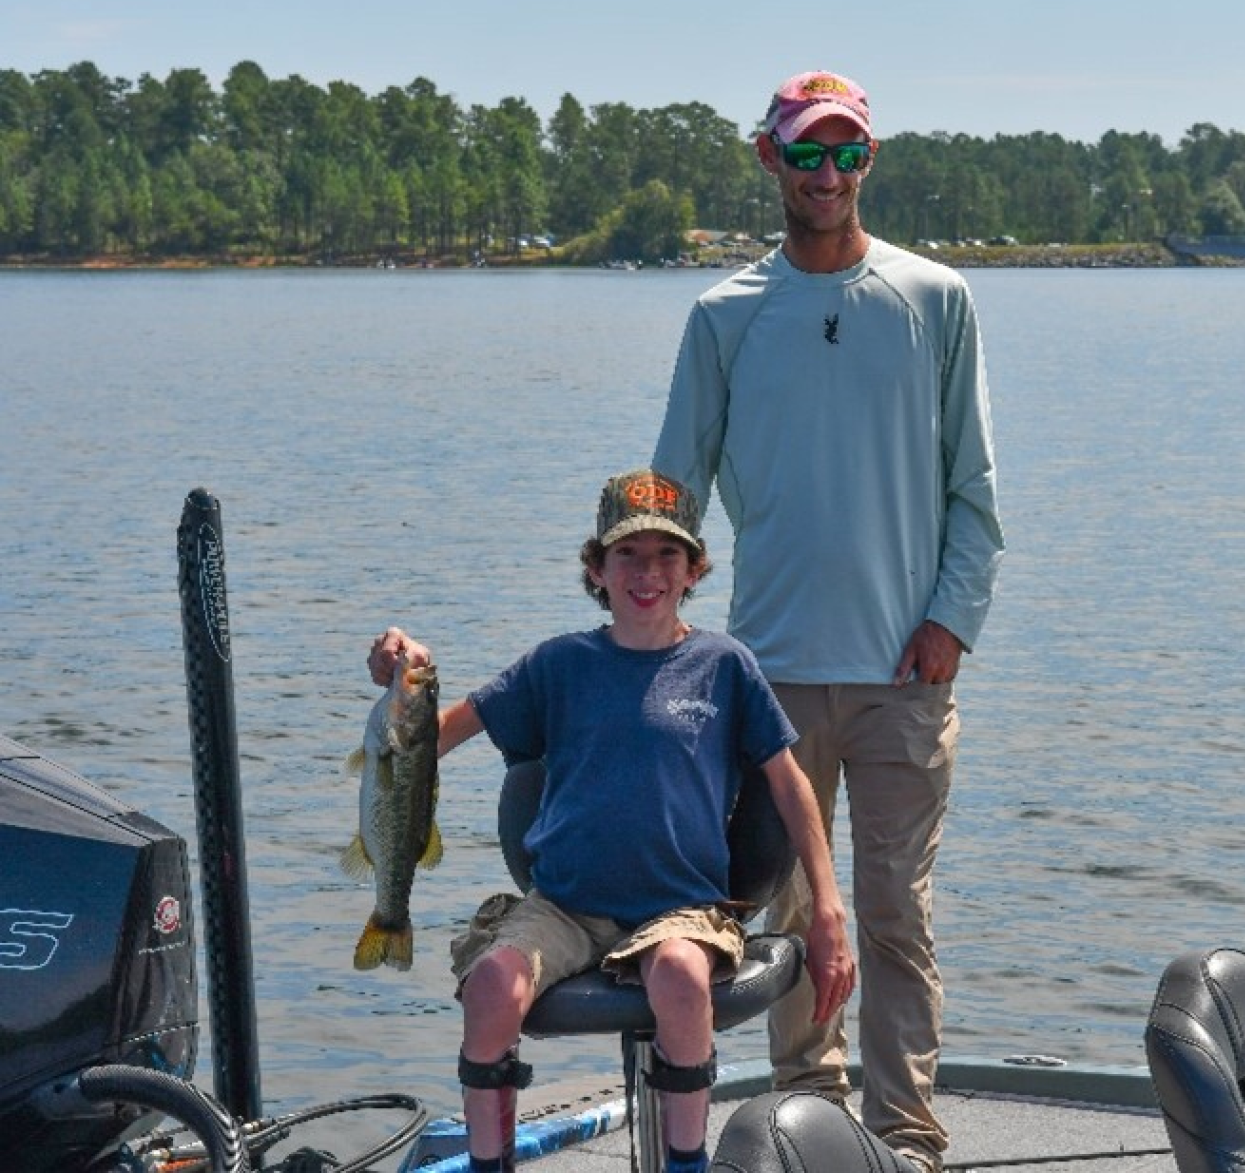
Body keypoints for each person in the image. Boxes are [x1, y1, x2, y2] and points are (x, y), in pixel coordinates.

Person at [652, 71, 1005, 1170]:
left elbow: (975, 494)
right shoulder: (723, 316)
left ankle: (906, 1142)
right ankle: (815, 1119)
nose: (826, 173)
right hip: (767, 686)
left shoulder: (936, 298)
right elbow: (670, 491)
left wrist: (951, 622)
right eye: (806, 152)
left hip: (909, 675)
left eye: (846, 152)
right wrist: (643, 635)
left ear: (872, 160)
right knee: (799, 925)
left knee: (897, 920)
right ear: (770, 159)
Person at [367, 468, 855, 1173]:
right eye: (627, 553)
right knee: (492, 988)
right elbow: (430, 738)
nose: (647, 572)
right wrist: (401, 679)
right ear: (597, 568)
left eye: (667, 555)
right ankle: (488, 1162)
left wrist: (829, 910)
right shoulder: (557, 663)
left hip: (679, 906)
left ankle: (683, 1164)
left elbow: (792, 788)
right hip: (565, 902)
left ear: (694, 570)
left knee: (682, 980)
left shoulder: (725, 664)